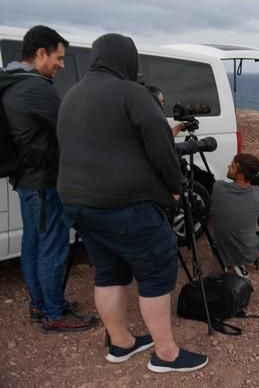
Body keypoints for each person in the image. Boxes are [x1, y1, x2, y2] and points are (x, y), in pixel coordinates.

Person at [57, 33, 207, 373]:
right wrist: (174, 188)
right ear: (127, 59)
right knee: (155, 272)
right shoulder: (131, 92)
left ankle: (121, 343)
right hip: (125, 205)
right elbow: (161, 146)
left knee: (109, 273)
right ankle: (166, 354)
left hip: (78, 204)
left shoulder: (72, 94)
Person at [1, 25, 97, 332]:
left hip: (26, 180)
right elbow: (70, 126)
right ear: (40, 53)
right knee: (52, 246)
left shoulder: (12, 81)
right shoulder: (35, 88)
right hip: (43, 183)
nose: (61, 64)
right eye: (58, 57)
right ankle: (54, 314)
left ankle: (39, 304)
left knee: (33, 244)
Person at [212, 153, 259, 276]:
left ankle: (233, 259)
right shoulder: (258, 195)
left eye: (232, 166)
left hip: (220, 248)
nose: (228, 166)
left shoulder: (218, 187)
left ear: (240, 175)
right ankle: (243, 260)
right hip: (243, 253)